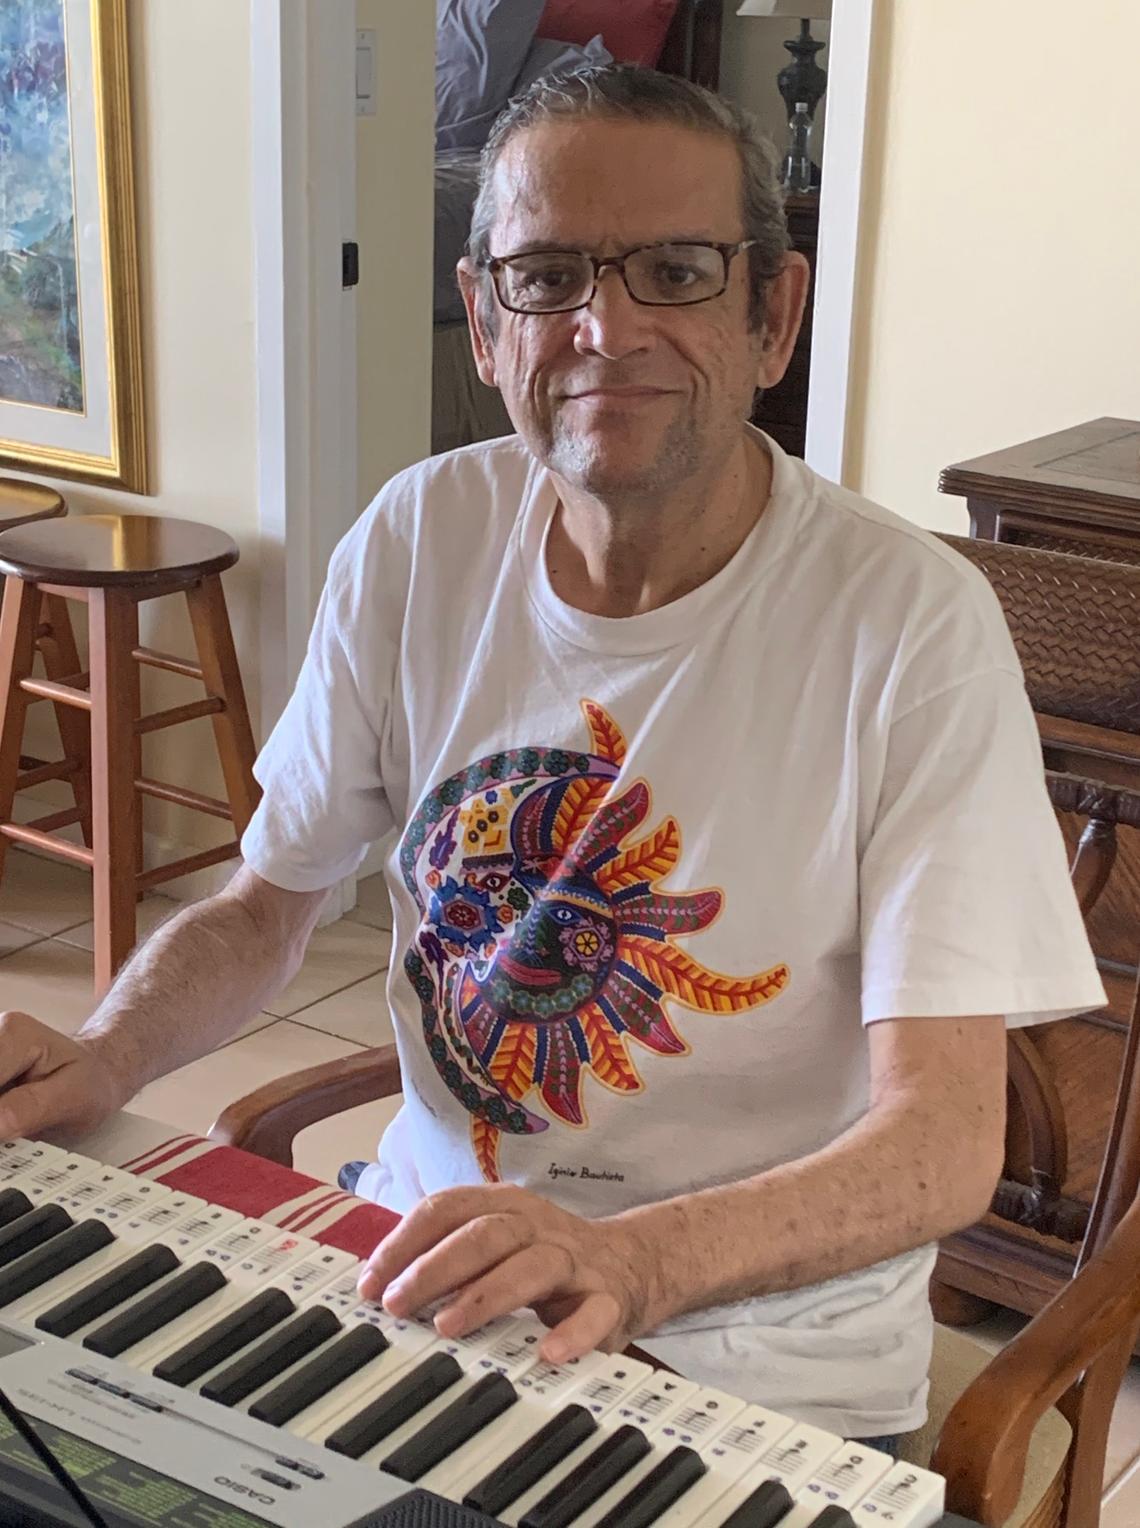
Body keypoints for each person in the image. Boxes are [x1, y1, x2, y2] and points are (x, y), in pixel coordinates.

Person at [0, 66, 1103, 1445]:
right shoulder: (415, 539)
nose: (606, 328)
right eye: (548, 276)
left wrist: (633, 1262)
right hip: (426, 1276)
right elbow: (262, 912)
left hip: (760, 1357)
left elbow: (942, 1144)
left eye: (678, 273)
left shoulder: (913, 626)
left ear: (772, 317)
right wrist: (105, 1055)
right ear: (485, 320)